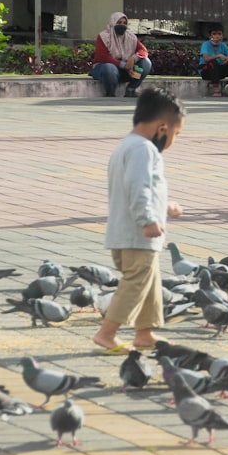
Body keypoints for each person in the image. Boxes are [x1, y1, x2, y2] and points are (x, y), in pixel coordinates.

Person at [92, 87, 186, 354]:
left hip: (128, 233)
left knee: (150, 283)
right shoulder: (144, 150)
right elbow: (137, 187)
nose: (173, 140)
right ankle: (106, 334)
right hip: (137, 235)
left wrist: (165, 206)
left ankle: (145, 333)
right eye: (176, 134)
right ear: (162, 127)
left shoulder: (127, 145)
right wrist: (147, 219)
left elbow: (139, 188)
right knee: (136, 283)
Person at [91, 12, 151, 98]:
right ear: (113, 23)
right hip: (104, 70)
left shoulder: (131, 37)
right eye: (119, 22)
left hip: (127, 71)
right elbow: (102, 57)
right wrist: (123, 65)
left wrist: (133, 59)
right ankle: (111, 94)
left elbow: (143, 50)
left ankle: (131, 89)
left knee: (146, 63)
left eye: (124, 23)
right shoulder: (104, 36)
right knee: (110, 68)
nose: (122, 25)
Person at [198, 23, 228, 95]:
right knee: (213, 63)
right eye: (214, 34)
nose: (217, 36)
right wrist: (219, 55)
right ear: (210, 36)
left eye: (219, 34)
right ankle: (216, 89)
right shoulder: (205, 45)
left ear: (222, 35)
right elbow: (206, 59)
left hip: (218, 71)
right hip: (207, 71)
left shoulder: (223, 45)